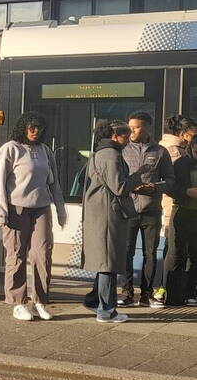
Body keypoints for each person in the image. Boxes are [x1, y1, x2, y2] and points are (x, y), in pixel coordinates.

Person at [0, 112, 67, 321]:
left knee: (42, 254)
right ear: (23, 127)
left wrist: (61, 211)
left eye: (39, 128)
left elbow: (54, 183)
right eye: (31, 127)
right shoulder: (10, 149)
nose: (35, 132)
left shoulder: (45, 151)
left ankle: (40, 300)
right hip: (16, 209)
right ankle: (17, 302)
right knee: (16, 255)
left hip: (41, 208)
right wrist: (1, 211)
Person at [82, 120, 151, 323]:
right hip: (108, 216)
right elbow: (119, 187)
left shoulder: (98, 154)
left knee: (106, 261)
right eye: (125, 136)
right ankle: (106, 311)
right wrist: (138, 176)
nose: (128, 139)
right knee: (108, 263)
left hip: (100, 213)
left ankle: (95, 301)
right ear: (114, 136)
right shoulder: (111, 155)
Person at [120, 111, 174, 308]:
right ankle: (126, 293)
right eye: (130, 126)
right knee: (126, 252)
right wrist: (130, 187)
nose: (131, 130)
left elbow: (170, 180)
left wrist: (156, 187)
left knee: (150, 254)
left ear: (148, 128)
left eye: (136, 127)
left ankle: (147, 293)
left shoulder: (160, 152)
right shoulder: (122, 149)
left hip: (151, 209)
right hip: (128, 209)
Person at [164, 119, 197, 306]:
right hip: (182, 211)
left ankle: (191, 292)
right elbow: (171, 187)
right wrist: (186, 192)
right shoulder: (181, 163)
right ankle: (173, 295)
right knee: (177, 253)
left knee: (195, 255)